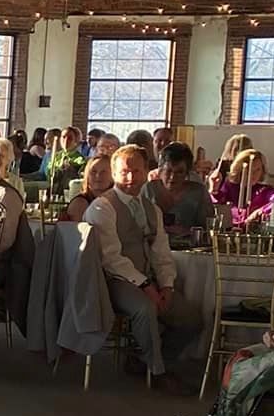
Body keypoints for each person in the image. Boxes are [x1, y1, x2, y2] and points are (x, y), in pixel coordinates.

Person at [85, 142, 198, 386]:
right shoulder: (103, 207)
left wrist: (166, 286)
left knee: (192, 317)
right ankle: (157, 374)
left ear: (147, 171)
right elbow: (111, 258)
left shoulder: (151, 209)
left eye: (136, 171)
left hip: (149, 278)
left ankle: (147, 359)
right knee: (145, 309)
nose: (130, 177)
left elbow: (161, 252)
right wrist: (147, 286)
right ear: (114, 173)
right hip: (114, 281)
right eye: (124, 171)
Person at [149, 142, 213, 240]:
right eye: (168, 171)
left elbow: (208, 229)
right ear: (160, 171)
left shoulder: (198, 193)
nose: (172, 177)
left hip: (189, 249)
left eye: (179, 172)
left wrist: (187, 231)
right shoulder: (148, 190)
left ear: (187, 173)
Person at [212, 147, 274, 227]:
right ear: (240, 169)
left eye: (258, 169)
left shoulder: (264, 190)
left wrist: (260, 211)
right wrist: (214, 190)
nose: (253, 174)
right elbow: (217, 205)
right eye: (249, 169)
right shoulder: (229, 187)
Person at [65, 153, 113, 222]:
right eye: (93, 171)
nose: (98, 176)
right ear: (87, 176)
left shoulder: (117, 201)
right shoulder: (80, 204)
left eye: (103, 172)